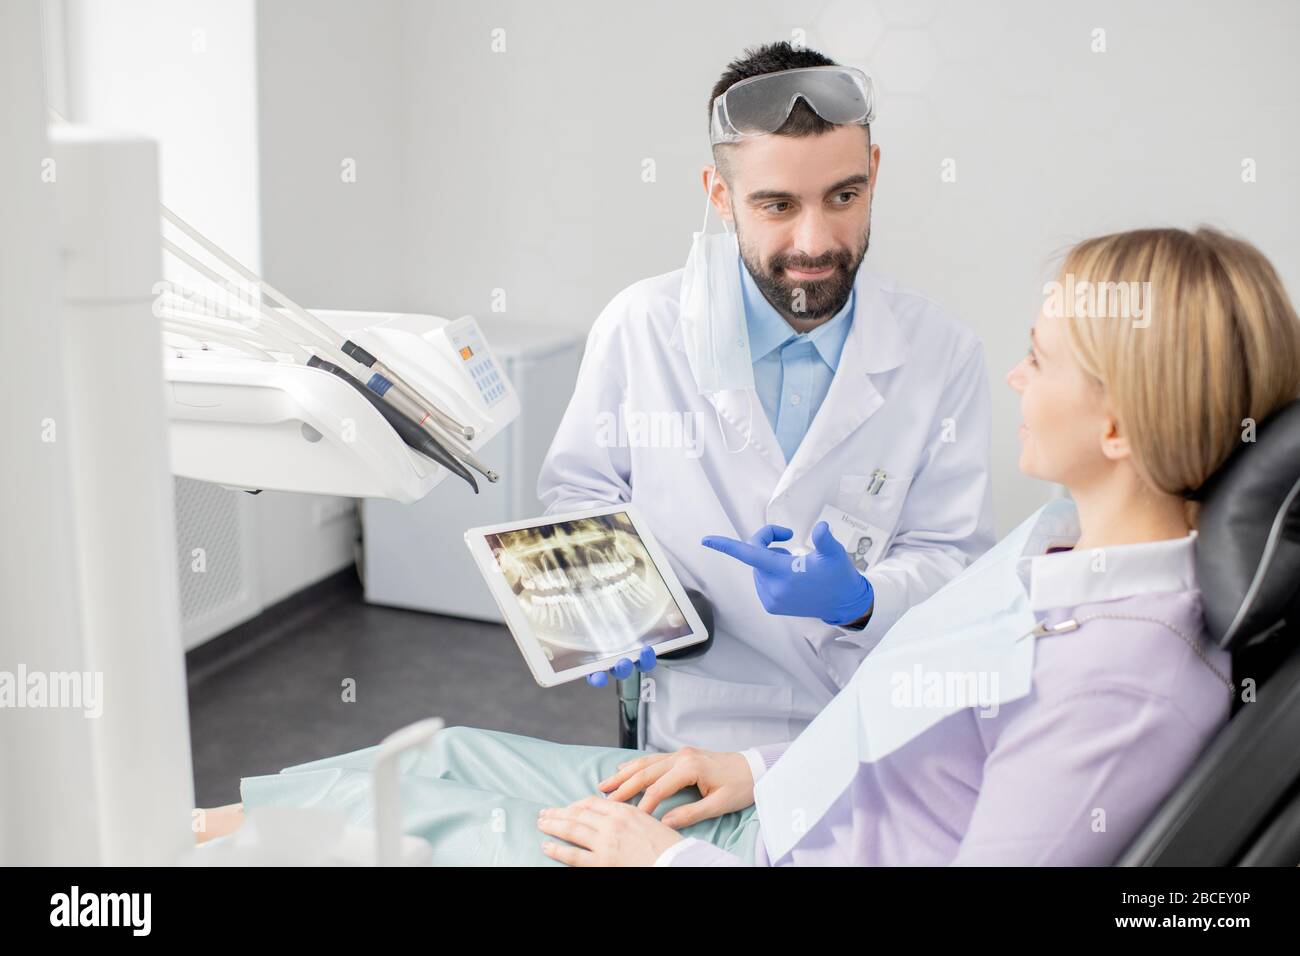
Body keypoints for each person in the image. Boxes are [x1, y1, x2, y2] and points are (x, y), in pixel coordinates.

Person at [204, 226, 1300, 866]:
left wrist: (670, 858)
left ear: (1116, 425)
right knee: (437, 754)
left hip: (772, 856)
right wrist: (753, 768)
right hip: (772, 797)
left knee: (403, 823)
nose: (1017, 376)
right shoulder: (1060, 540)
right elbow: (921, 727)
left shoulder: (1128, 675)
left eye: (1041, 359)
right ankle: (184, 828)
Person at [539, 42, 994, 753]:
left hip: (869, 735)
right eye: (777, 205)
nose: (815, 241)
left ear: (873, 175)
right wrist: (608, 606)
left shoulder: (942, 351)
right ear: (720, 197)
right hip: (693, 729)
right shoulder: (644, 326)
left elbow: (951, 553)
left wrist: (862, 600)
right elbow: (579, 495)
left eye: (843, 196)